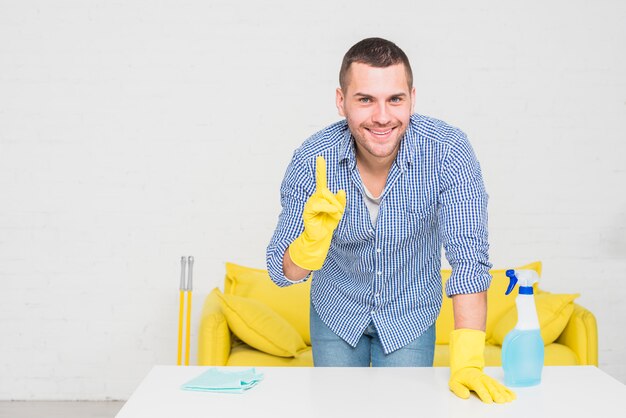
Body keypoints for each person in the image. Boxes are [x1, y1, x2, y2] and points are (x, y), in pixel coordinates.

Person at [266, 37, 515, 404]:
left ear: (412, 98)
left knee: (404, 409)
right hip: (336, 310)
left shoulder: (448, 152)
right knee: (336, 410)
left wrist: (469, 362)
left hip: (410, 312)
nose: (382, 116)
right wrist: (310, 242)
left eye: (395, 99)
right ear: (341, 101)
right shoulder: (312, 159)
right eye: (365, 99)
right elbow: (280, 270)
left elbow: (468, 262)